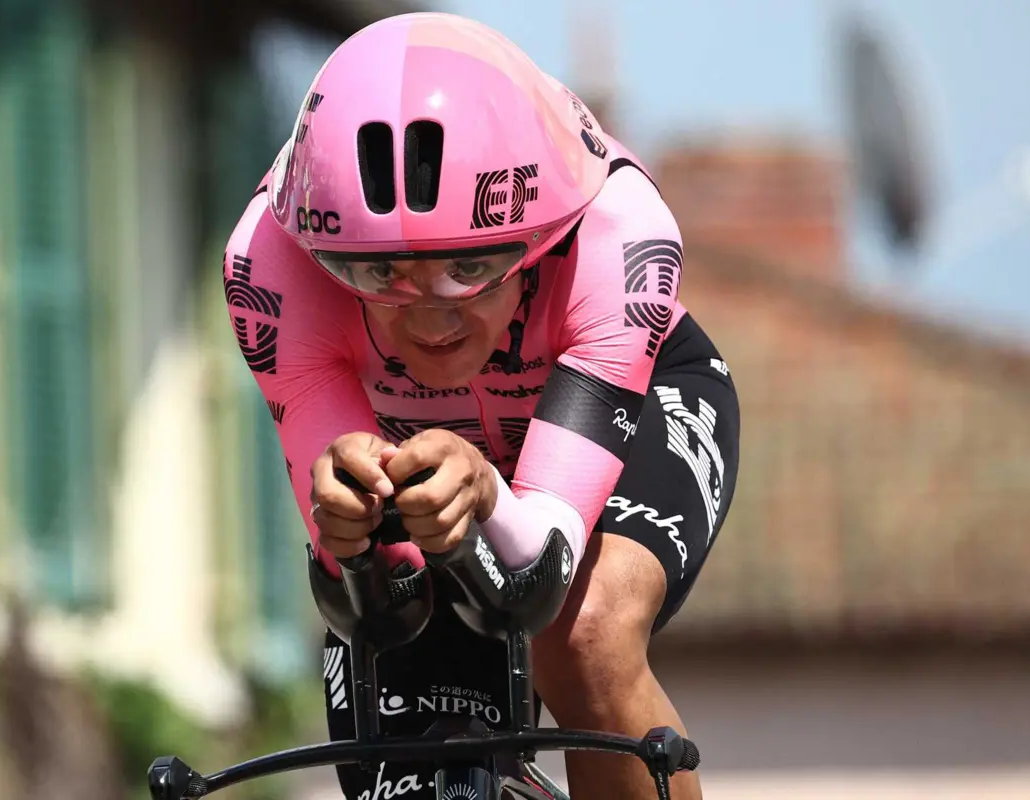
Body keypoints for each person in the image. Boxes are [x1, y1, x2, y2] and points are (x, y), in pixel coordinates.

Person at [222, 12, 739, 800]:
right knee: (406, 765)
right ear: (322, 256)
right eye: (376, 276)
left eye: (474, 265)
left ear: (545, 241)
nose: (432, 317)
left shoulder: (620, 236)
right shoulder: (270, 270)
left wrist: (489, 488)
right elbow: (381, 606)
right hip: (422, 456)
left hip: (633, 402)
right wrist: (351, 536)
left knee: (583, 635)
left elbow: (539, 581)